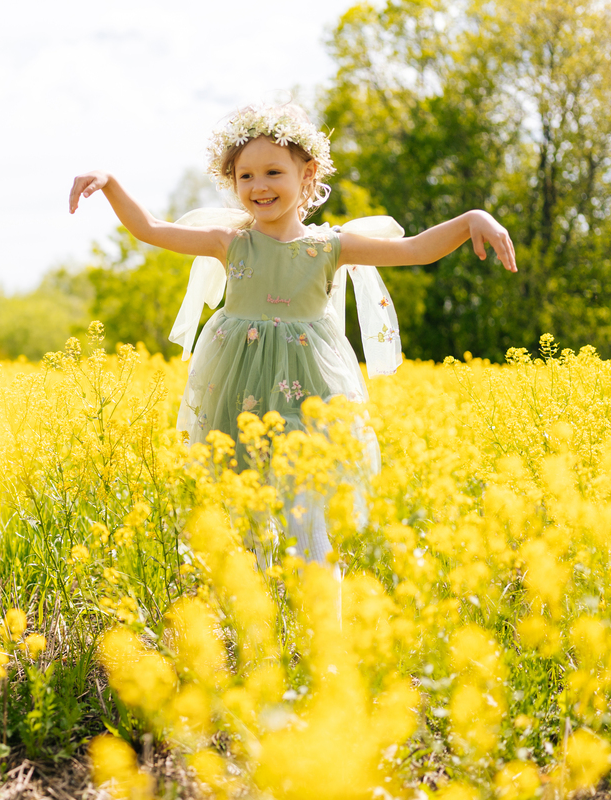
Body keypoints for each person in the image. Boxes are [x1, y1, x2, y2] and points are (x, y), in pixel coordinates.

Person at [69, 103, 517, 564]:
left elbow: (415, 249)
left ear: (307, 174)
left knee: (310, 515)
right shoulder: (230, 243)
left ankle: (321, 601)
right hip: (238, 389)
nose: (259, 186)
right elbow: (150, 228)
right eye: (245, 176)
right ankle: (257, 600)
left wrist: (472, 219)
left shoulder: (330, 246)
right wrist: (110, 182)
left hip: (311, 392)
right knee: (244, 514)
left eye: (273, 172)